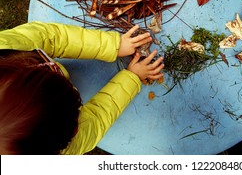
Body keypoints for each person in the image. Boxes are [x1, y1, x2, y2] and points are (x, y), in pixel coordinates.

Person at [0, 21, 164, 155]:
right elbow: (94, 121)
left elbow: (51, 37)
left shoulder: (8, 46)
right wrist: (131, 78)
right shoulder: (55, 153)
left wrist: (111, 45)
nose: (78, 126)